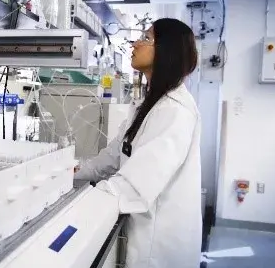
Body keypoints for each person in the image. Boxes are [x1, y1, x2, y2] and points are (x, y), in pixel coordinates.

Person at [75, 18, 202, 268]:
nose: (135, 43)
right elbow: (114, 156)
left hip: (160, 248)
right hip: (145, 234)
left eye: (146, 38)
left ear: (166, 51)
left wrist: (83, 204)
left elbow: (135, 185)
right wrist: (76, 171)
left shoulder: (174, 111)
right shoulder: (148, 104)